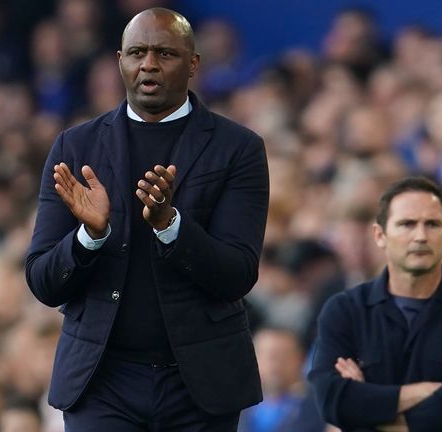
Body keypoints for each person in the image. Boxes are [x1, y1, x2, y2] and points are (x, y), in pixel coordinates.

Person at [25, 7, 269, 431]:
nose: (149, 64)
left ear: (193, 64)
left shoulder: (238, 149)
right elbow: (43, 281)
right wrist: (90, 235)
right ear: (120, 60)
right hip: (102, 381)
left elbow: (237, 274)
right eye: (137, 52)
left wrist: (170, 227)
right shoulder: (75, 147)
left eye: (165, 54)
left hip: (200, 386)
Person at [308, 177, 442, 430]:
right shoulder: (344, 310)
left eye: (433, 224)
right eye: (407, 224)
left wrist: (368, 413)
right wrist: (425, 392)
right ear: (380, 235)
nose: (421, 236)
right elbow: (332, 402)